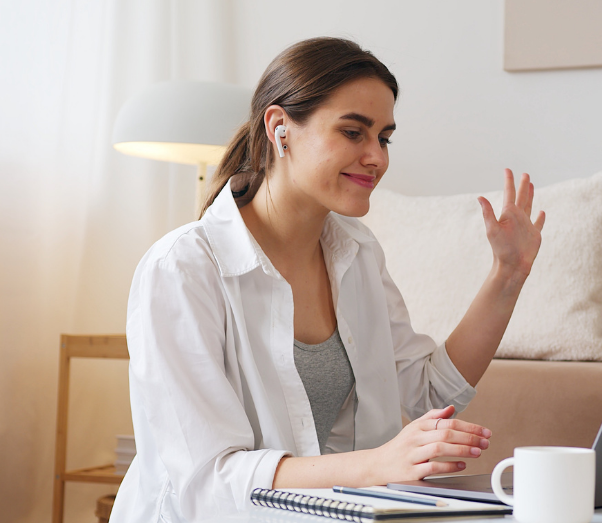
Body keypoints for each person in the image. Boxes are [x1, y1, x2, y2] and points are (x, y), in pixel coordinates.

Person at [110, 37, 545, 522]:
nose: (377, 157)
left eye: (383, 137)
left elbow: (427, 392)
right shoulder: (182, 269)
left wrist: (508, 275)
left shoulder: (357, 252)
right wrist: (379, 465)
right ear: (280, 129)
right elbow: (208, 480)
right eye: (353, 132)